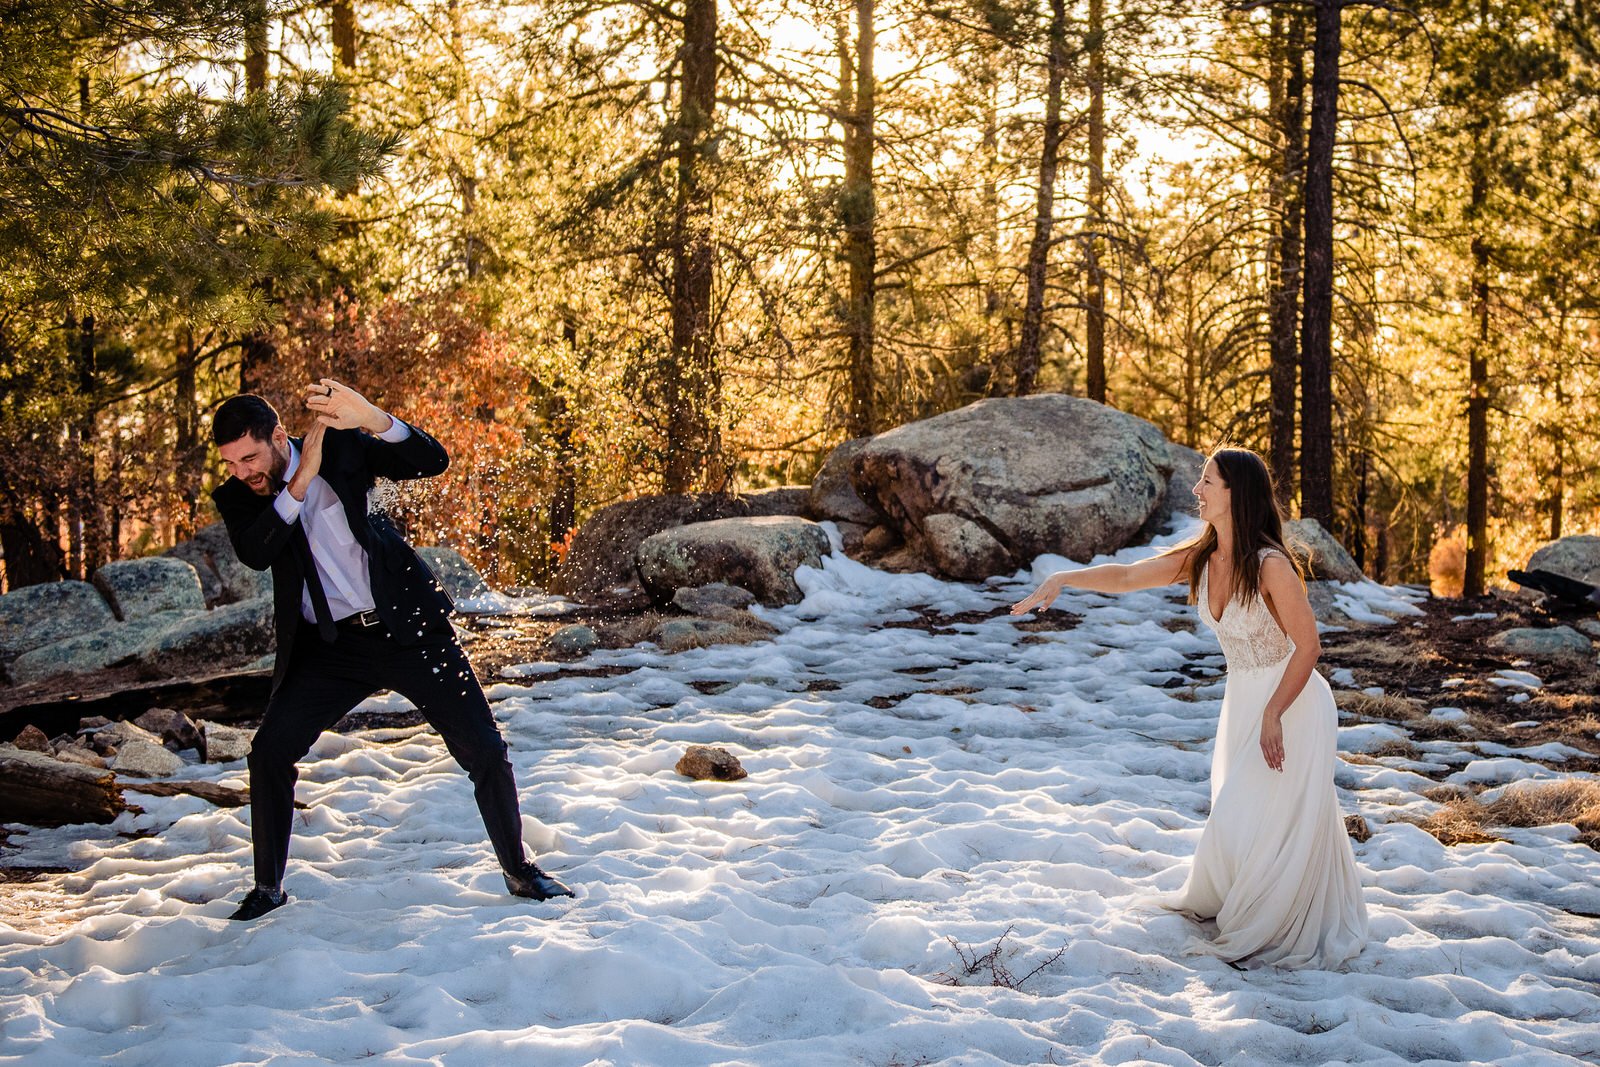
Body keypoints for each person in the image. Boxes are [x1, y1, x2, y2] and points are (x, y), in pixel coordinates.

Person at [211, 380, 573, 921]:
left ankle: (520, 872)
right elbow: (257, 552)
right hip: (330, 647)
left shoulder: (343, 447)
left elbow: (432, 460)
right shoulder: (242, 496)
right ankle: (268, 890)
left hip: (408, 627)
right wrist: (299, 482)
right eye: (232, 463)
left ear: (278, 436)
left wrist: (372, 417)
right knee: (269, 752)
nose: (243, 472)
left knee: (484, 748)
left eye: (251, 457)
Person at [1010, 446, 1367, 969]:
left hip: (1290, 703)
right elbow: (1130, 577)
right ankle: (1251, 903)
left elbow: (1308, 647)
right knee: (1242, 818)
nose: (1197, 491)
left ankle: (1276, 924)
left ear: (1235, 494)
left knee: (1263, 815)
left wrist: (1273, 714)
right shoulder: (1200, 558)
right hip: (1243, 698)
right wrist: (1065, 579)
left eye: (1208, 482)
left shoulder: (1271, 565)